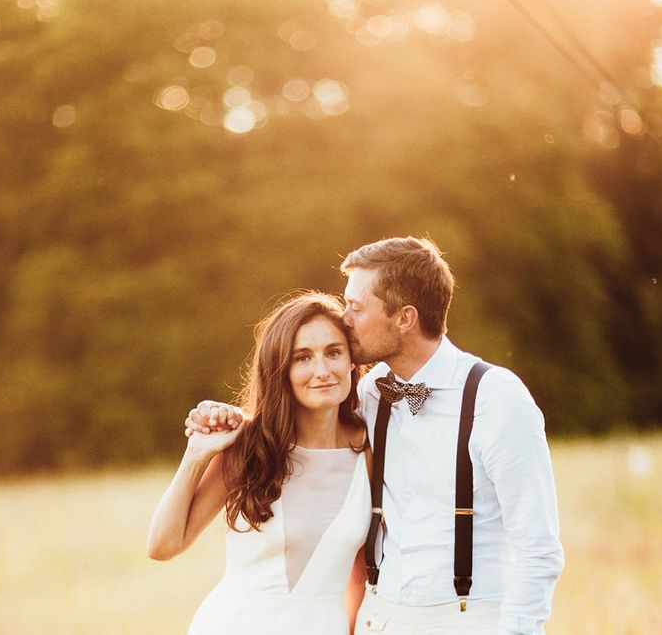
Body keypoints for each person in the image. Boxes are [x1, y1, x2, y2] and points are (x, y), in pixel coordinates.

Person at [186, 236, 564, 635]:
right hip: (378, 620)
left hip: (468, 621)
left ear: (405, 318)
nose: (344, 318)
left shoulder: (496, 399)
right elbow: (299, 423)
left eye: (356, 307)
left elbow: (538, 549)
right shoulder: (370, 390)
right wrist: (231, 421)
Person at [147, 291, 372, 635]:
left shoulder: (371, 451)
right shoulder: (250, 446)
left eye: (333, 352)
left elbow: (361, 573)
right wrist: (197, 453)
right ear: (280, 369)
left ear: (352, 362)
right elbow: (163, 545)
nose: (322, 370)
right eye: (303, 358)